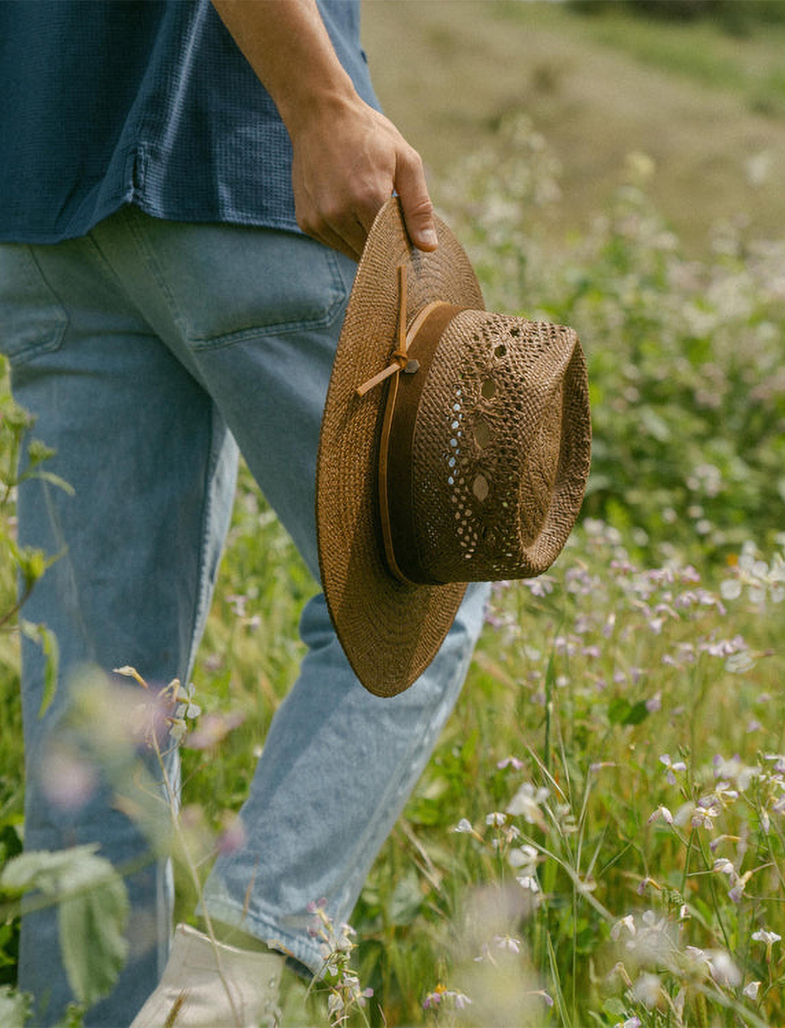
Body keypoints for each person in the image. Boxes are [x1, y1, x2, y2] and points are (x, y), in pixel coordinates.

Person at [0, 1, 490, 1024]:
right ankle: (224, 989)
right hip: (227, 154)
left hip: (41, 199)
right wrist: (319, 105)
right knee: (429, 573)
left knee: (103, 703)